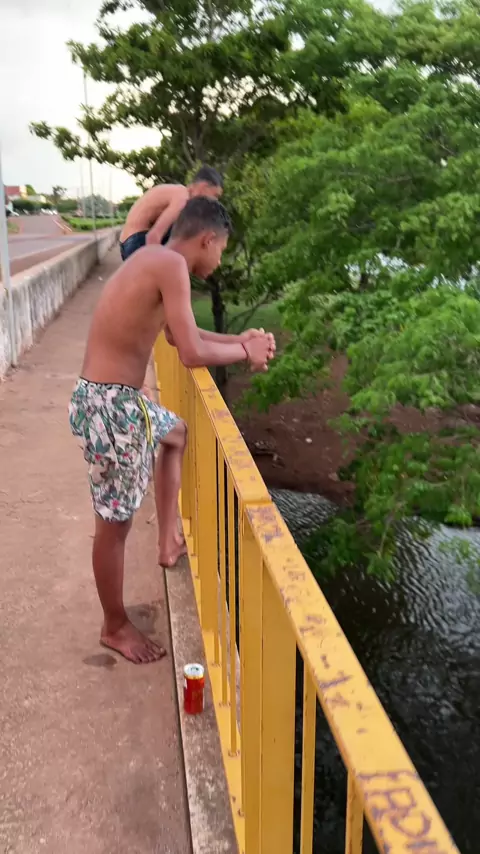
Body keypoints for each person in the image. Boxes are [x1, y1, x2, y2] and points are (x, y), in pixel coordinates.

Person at [69, 197, 276, 664]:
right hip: (111, 407)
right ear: (207, 239)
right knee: (114, 525)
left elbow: (176, 335)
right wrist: (246, 354)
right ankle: (114, 626)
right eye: (221, 250)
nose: (219, 261)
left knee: (175, 432)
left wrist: (241, 340)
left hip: (109, 400)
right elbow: (190, 353)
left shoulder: (156, 259)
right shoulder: (172, 266)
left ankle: (167, 543)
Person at [119, 165, 223, 260]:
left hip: (128, 242)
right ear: (203, 187)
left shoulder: (178, 192)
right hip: (136, 241)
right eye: (215, 195)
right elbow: (153, 236)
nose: (215, 201)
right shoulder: (182, 197)